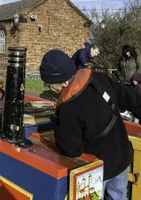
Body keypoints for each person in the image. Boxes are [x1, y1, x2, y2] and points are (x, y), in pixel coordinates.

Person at [40, 49, 141, 200]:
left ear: (60, 82)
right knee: (118, 196)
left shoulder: (68, 108)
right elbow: (131, 99)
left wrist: (58, 125)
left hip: (100, 168)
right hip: (122, 155)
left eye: (49, 85)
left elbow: (71, 149)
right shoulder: (98, 78)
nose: (49, 89)